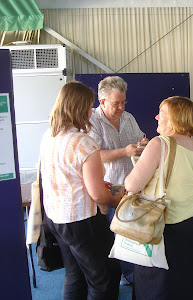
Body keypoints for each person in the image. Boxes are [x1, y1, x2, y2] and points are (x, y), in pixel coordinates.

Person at [40, 81, 123, 300]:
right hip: (82, 220)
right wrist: (116, 199)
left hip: (56, 218)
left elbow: (67, 177)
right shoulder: (83, 143)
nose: (91, 112)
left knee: (75, 274)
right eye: (89, 106)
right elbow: (98, 195)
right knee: (105, 276)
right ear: (78, 108)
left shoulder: (48, 136)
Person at [124, 96, 193, 300]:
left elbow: (132, 185)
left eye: (161, 113)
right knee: (187, 280)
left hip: (163, 225)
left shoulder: (159, 144)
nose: (156, 117)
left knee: (158, 284)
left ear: (174, 118)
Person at [88, 76, 148, 285]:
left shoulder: (129, 118)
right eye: (116, 104)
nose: (121, 107)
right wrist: (125, 151)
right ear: (102, 101)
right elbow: (94, 155)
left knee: (132, 233)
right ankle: (122, 275)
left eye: (123, 102)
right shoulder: (92, 122)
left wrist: (144, 143)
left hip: (132, 186)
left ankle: (131, 273)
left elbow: (140, 138)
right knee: (114, 235)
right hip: (109, 187)